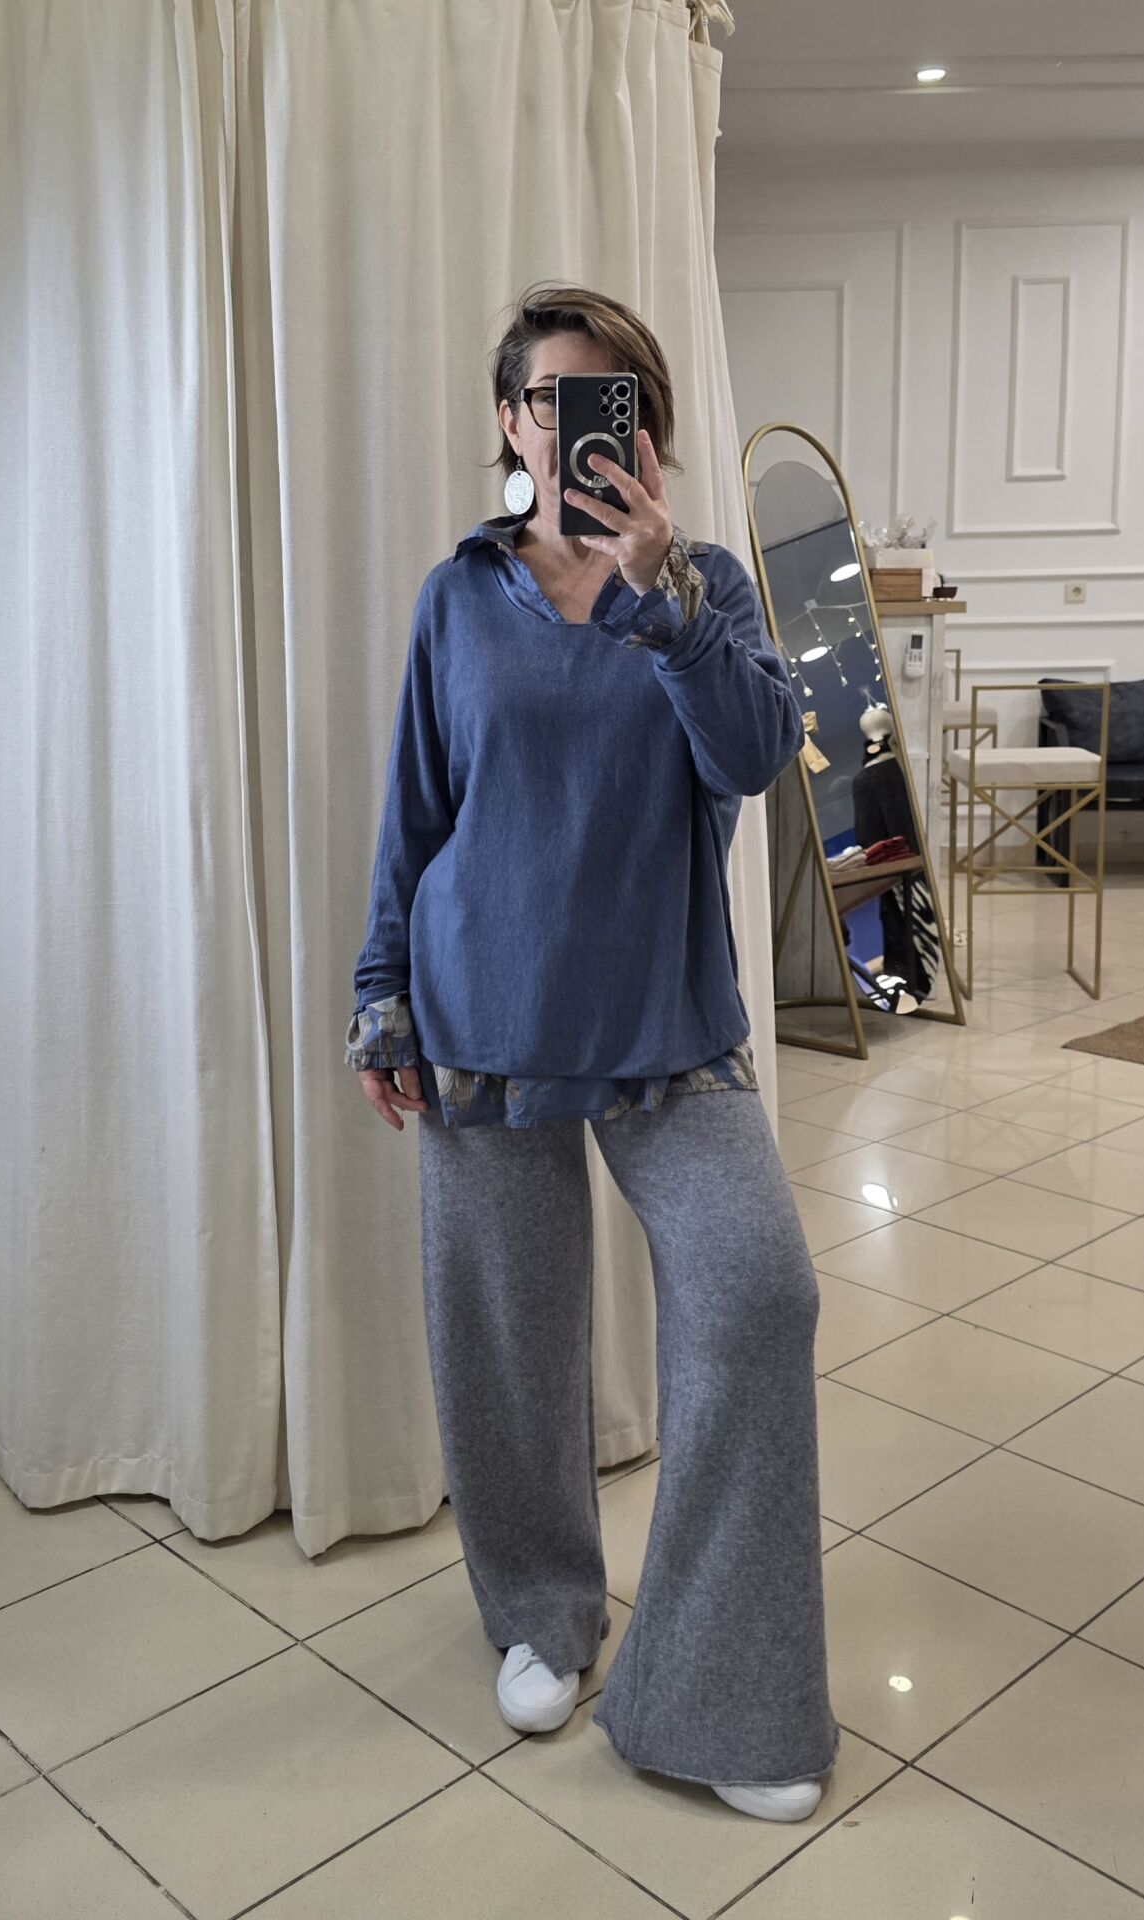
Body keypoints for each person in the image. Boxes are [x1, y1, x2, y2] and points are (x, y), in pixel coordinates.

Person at [346, 284, 840, 1822]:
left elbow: (751, 758)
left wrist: (661, 592)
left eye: (605, 399)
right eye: (550, 402)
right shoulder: (457, 595)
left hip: (663, 1021)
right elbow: (416, 812)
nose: (576, 429)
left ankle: (717, 1689)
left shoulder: (702, 589)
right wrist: (380, 992)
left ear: (645, 420)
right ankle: (540, 1617)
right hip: (480, 1016)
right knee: (508, 1341)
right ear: (511, 422)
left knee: (756, 1297)